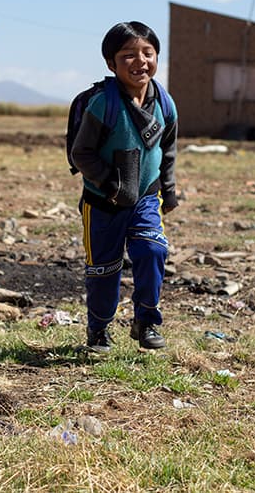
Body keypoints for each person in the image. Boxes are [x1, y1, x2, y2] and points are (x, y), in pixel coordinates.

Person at [69, 21, 178, 353]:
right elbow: (81, 153)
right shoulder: (104, 104)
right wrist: (111, 183)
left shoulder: (164, 102)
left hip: (145, 198)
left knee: (153, 251)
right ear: (111, 64)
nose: (140, 62)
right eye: (128, 55)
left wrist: (169, 189)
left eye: (147, 53)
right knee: (104, 270)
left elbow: (168, 148)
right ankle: (99, 330)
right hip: (102, 203)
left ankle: (146, 322)